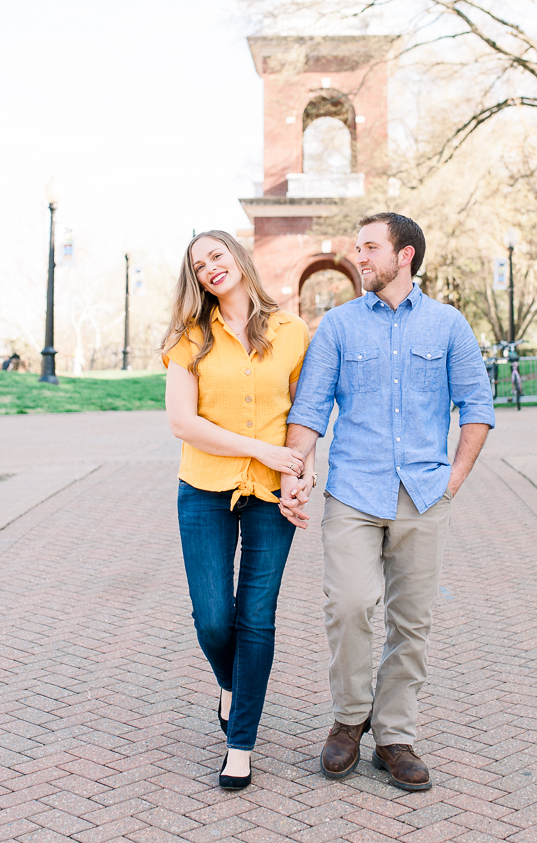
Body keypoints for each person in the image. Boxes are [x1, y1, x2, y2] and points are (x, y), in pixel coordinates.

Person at [280, 212, 495, 792]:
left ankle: (395, 736)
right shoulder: (339, 326)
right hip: (353, 490)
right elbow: (308, 411)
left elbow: (477, 408)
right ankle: (350, 720)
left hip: (425, 497)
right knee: (349, 604)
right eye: (358, 247)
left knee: (411, 621)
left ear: (405, 255)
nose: (360, 257)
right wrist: (293, 474)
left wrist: (453, 480)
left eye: (370, 247)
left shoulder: (448, 325)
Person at [163, 230, 313, 790]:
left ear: (239, 257)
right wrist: (260, 449)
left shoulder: (291, 331)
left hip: (271, 494)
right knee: (213, 619)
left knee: (256, 618)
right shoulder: (189, 338)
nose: (210, 269)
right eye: (200, 266)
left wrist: (304, 468)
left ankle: (240, 745)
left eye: (217, 256)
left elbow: (305, 414)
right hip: (203, 489)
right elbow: (184, 423)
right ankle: (231, 684)